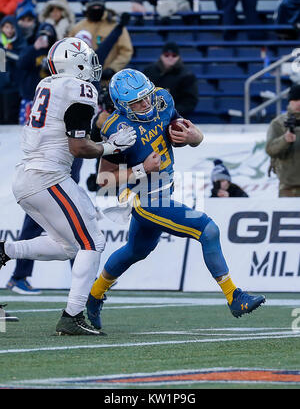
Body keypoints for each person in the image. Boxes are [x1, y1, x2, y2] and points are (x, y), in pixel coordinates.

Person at [85, 68, 266, 330]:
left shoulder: (163, 99)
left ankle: (94, 295)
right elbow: (103, 180)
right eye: (137, 101)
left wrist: (196, 137)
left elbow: (185, 133)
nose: (145, 103)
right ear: (122, 106)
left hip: (164, 190)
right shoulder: (117, 128)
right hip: (144, 197)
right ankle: (233, 296)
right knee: (208, 229)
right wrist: (141, 169)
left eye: (146, 96)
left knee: (136, 251)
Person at [0, 37, 137, 336]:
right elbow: (78, 147)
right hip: (48, 177)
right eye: (86, 60)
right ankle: (72, 316)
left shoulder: (46, 84)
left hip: (27, 176)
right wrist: (111, 147)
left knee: (67, 246)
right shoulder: (81, 88)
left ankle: (5, 250)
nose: (91, 67)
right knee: (93, 243)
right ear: (73, 62)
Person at [6, 158, 83, 295]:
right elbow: (80, 147)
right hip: (51, 186)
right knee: (74, 233)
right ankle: (85, 280)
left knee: (72, 233)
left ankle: (18, 276)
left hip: (52, 186)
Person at [69, 0, 133, 81]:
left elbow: (126, 51)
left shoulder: (114, 26)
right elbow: (69, 50)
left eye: (98, 7)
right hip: (84, 79)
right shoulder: (78, 28)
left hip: (109, 80)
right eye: (93, 7)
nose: (96, 10)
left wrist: (113, 69)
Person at [143, 42, 198, 118]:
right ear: (161, 56)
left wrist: (171, 113)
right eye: (166, 55)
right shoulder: (149, 71)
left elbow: (189, 102)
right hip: (149, 116)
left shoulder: (187, 76)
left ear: (178, 57)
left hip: (175, 118)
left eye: (174, 55)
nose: (170, 58)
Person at [17, 22, 57, 125]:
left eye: (49, 33)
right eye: (43, 33)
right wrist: (34, 48)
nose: (46, 36)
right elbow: (21, 64)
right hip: (31, 96)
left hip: (50, 97)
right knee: (27, 127)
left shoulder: (56, 51)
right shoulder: (30, 49)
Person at [266, 83, 300, 197]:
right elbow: (270, 149)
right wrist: (285, 140)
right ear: (290, 101)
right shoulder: (279, 123)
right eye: (295, 99)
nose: (298, 103)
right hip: (288, 187)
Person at [0, 14, 25, 124]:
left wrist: (7, 53)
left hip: (14, 87)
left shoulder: (20, 41)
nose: (9, 30)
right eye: (6, 27)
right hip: (2, 85)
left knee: (11, 119)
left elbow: (21, 59)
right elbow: (2, 67)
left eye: (12, 27)